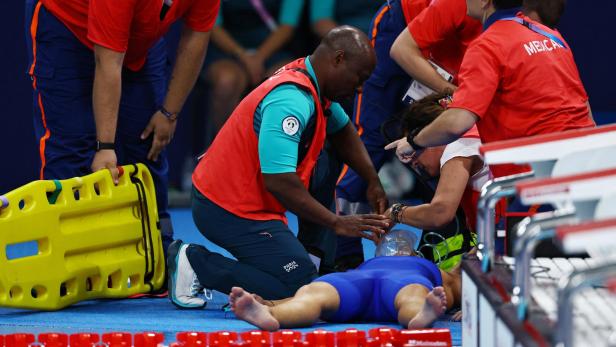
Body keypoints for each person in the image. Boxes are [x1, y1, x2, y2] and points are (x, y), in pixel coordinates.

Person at [167, 26, 390, 309]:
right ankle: (195, 262)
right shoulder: (291, 100)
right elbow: (279, 181)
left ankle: (309, 257)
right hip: (224, 208)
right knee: (300, 287)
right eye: (359, 77)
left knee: (325, 156)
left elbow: (343, 129)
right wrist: (336, 222)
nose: (360, 88)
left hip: (255, 204)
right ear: (338, 59)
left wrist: (372, 180)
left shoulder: (314, 83)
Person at [25, 0, 220, 251]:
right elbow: (108, 61)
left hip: (139, 32)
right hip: (68, 24)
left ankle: (155, 257)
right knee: (72, 148)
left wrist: (169, 113)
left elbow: (196, 36)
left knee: (148, 141)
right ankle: (71, 259)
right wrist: (105, 146)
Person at [334, 0, 482, 271]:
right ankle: (343, 252)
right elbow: (401, 50)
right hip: (402, 32)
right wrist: (453, 94)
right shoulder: (458, 4)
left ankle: (439, 244)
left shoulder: (511, 21)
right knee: (372, 141)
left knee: (447, 139)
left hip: (447, 56)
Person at [386, 0, 594, 179]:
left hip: (535, 178)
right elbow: (585, 109)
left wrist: (414, 141)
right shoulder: (552, 35)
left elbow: (456, 122)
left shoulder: (487, 45)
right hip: (587, 162)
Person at [229, 230, 463, 331]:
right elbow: (302, 294)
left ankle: (420, 316)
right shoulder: (369, 263)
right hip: (357, 281)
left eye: (404, 246)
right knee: (313, 293)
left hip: (403, 282)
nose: (398, 248)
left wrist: (473, 306)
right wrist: (271, 303)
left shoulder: (439, 271)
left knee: (414, 296)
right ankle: (270, 316)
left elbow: (464, 282)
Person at [384, 93, 488, 269]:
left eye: (415, 150)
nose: (413, 162)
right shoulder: (471, 137)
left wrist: (395, 212)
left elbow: (439, 214)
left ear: (434, 137)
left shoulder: (458, 148)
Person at [204, 0, 305, 140]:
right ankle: (224, 147)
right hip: (227, 49)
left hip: (274, 49)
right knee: (226, 81)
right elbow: (213, 25)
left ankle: (271, 150)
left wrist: (259, 57)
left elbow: (287, 26)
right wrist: (242, 55)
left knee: (281, 83)